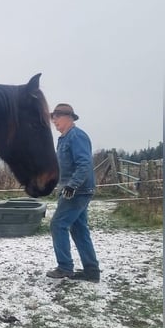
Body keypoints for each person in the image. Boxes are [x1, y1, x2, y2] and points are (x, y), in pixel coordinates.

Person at [46, 103, 101, 281]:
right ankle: (91, 271)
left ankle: (65, 267)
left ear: (68, 117)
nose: (54, 121)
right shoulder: (64, 138)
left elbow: (84, 163)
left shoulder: (76, 136)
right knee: (79, 230)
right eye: (53, 118)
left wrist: (72, 186)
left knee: (58, 224)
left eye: (56, 117)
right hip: (75, 189)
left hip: (77, 191)